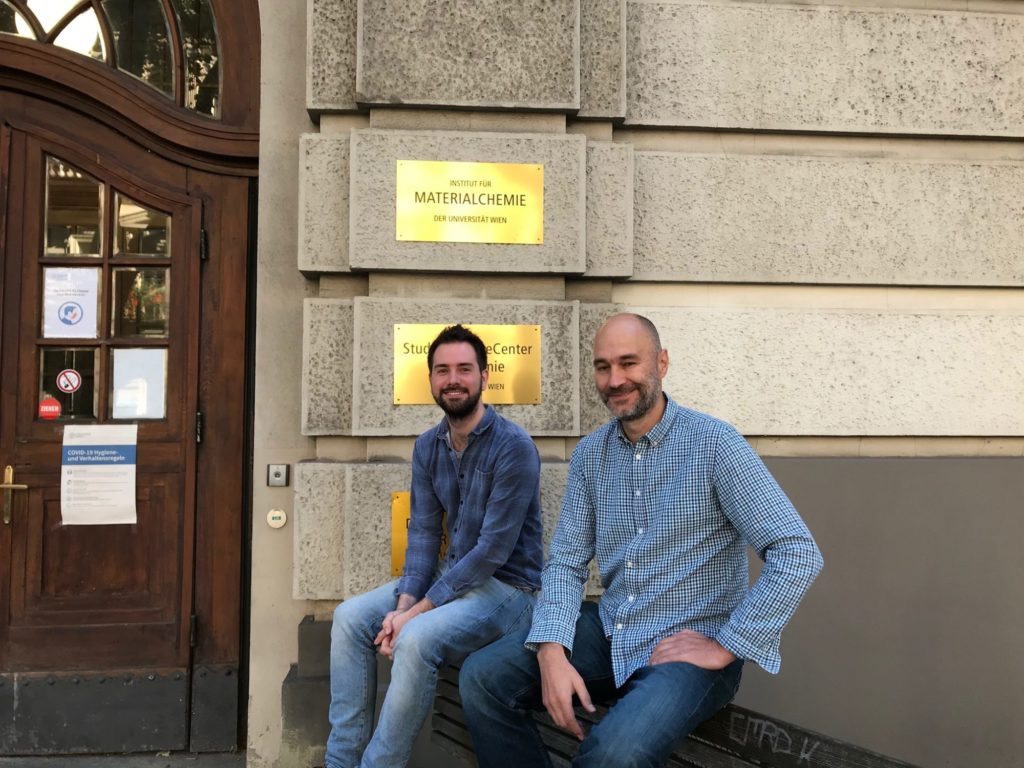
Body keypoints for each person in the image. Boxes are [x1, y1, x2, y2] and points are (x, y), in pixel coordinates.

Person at [460, 313, 823, 768]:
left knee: (615, 753)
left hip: (689, 645)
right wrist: (551, 650)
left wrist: (727, 644)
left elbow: (795, 551)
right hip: (613, 628)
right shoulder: (592, 453)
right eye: (603, 366)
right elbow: (567, 563)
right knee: (482, 679)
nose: (615, 380)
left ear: (662, 363)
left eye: (629, 363)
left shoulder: (715, 445)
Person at [324, 324, 544, 768]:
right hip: (450, 578)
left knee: (417, 639)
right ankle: (341, 761)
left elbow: (491, 553)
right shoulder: (428, 447)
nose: (453, 379)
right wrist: (404, 603)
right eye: (442, 370)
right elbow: (424, 535)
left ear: (485, 376)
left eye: (464, 368)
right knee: (349, 618)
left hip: (510, 591)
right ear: (430, 381)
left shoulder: (514, 447)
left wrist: (412, 616)